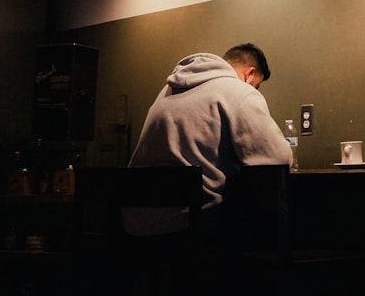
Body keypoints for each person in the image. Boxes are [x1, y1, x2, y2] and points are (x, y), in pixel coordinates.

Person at [124, 43, 292, 236]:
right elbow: (276, 160)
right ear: (249, 74)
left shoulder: (166, 92)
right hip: (193, 225)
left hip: (135, 221)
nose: (255, 89)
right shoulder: (238, 90)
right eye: (256, 85)